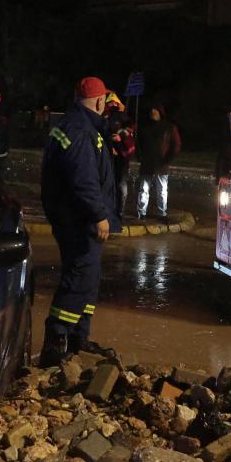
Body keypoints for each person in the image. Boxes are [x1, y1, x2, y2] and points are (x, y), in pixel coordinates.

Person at [39, 77, 121, 365]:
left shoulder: (76, 126)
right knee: (79, 278)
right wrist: (99, 215)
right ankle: (56, 344)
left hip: (74, 217)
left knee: (88, 278)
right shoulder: (81, 130)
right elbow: (83, 181)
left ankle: (77, 339)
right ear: (100, 102)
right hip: (79, 220)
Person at [135, 104, 182, 220]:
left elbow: (176, 145)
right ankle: (142, 213)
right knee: (144, 190)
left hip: (162, 165)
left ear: (161, 112)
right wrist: (140, 156)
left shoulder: (169, 127)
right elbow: (138, 143)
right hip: (147, 163)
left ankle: (162, 213)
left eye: (155, 110)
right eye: (151, 110)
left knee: (162, 190)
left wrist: (167, 160)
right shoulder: (144, 127)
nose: (152, 112)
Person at [105, 94, 135, 217]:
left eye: (114, 102)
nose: (112, 104)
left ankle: (119, 212)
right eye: (109, 102)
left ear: (118, 104)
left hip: (122, 157)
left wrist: (120, 136)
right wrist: (109, 147)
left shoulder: (124, 117)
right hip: (108, 156)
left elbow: (131, 129)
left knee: (121, 184)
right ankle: (109, 210)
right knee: (108, 183)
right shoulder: (104, 118)